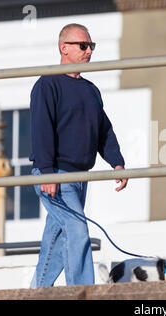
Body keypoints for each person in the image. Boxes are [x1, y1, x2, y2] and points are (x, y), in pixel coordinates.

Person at [29, 23, 127, 287]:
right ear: (64, 48)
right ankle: (82, 293)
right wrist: (48, 172)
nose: (89, 51)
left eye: (91, 46)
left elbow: (104, 130)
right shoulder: (47, 84)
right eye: (83, 46)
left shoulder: (91, 90)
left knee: (56, 241)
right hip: (55, 175)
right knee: (77, 232)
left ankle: (35, 293)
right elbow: (41, 129)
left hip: (79, 178)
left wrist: (117, 163)